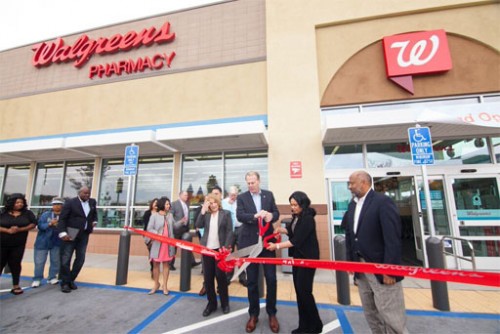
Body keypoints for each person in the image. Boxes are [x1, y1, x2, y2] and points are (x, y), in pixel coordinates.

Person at [342, 170, 408, 334]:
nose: (349, 187)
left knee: (391, 315)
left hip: (382, 268)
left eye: (352, 183)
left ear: (364, 182)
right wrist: (351, 262)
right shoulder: (352, 205)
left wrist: (389, 269)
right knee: (370, 312)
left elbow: (392, 238)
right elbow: (350, 235)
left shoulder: (382, 202)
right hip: (361, 268)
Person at [267, 191, 323, 334]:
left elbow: (296, 241)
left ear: (302, 204)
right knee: (299, 292)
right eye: (291, 205)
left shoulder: (308, 219)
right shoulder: (297, 217)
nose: (293, 207)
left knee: (305, 292)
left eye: (295, 205)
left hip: (308, 259)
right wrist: (282, 230)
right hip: (298, 258)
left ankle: (316, 325)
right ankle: (303, 326)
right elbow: (293, 233)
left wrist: (276, 246)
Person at [237, 171, 280, 333]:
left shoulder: (268, 195)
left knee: (271, 279)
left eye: (253, 182)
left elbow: (275, 213)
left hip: (267, 243)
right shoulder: (242, 197)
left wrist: (270, 215)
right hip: (250, 244)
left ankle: (272, 313)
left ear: (259, 181)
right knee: (252, 281)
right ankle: (253, 314)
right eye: (248, 183)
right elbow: (240, 216)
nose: (250, 185)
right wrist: (255, 216)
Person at [195, 193, 233, 316]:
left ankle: (225, 303)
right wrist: (202, 210)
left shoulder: (225, 214)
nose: (213, 205)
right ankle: (211, 304)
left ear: (218, 202)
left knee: (221, 278)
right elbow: (198, 225)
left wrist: (226, 247)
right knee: (208, 278)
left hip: (219, 251)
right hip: (207, 250)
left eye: (214, 202)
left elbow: (229, 231)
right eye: (210, 203)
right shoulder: (205, 215)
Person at [58, 186, 97, 293]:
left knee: (80, 259)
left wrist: (94, 222)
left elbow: (94, 215)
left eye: (88, 193)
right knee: (66, 258)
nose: (87, 195)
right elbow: (62, 219)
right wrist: (62, 232)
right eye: (85, 193)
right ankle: (65, 283)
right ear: (79, 193)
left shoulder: (92, 202)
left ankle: (70, 280)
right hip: (71, 232)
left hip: (84, 234)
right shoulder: (70, 202)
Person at [0, 193, 37, 295]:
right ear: (12, 203)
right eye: (17, 202)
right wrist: (7, 230)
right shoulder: (2, 212)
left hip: (18, 244)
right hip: (2, 243)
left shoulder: (27, 213)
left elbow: (33, 224)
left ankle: (16, 285)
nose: (20, 204)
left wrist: (20, 229)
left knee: (15, 264)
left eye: (21, 202)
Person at [32, 197, 64, 288]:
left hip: (57, 242)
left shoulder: (64, 216)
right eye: (55, 204)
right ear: (52, 205)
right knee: (39, 261)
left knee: (55, 261)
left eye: (59, 204)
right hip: (43, 242)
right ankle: (37, 279)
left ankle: (52, 277)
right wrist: (50, 224)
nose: (57, 206)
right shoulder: (46, 214)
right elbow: (40, 226)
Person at [146, 196, 175, 295]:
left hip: (167, 245)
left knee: (166, 265)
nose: (169, 205)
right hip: (157, 244)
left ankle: (165, 286)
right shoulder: (154, 216)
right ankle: (156, 284)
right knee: (156, 265)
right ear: (162, 205)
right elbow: (149, 229)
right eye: (167, 204)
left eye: (169, 204)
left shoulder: (170, 216)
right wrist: (157, 233)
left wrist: (183, 222)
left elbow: (174, 227)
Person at [222, 185, 247, 286]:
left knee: (241, 253)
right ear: (228, 194)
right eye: (232, 195)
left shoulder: (240, 202)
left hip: (240, 228)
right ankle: (229, 276)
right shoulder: (224, 202)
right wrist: (230, 204)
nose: (234, 197)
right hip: (229, 231)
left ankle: (242, 277)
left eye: (235, 195)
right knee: (229, 253)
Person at [170, 191, 200, 270]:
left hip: (185, 228)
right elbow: (170, 216)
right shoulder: (174, 204)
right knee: (174, 246)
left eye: (187, 195)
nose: (187, 196)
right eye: (185, 195)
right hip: (177, 228)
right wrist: (177, 223)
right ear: (180, 195)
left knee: (188, 245)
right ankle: (170, 264)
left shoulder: (187, 204)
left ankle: (191, 262)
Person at [143, 198, 159, 277]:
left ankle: (155, 269)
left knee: (157, 254)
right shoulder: (147, 213)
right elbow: (146, 226)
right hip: (149, 237)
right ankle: (152, 269)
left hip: (158, 237)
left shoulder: (160, 214)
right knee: (152, 253)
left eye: (157, 203)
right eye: (155, 202)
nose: (156, 204)